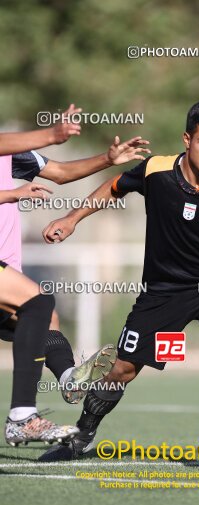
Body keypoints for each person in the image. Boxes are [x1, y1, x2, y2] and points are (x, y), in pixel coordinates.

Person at [40, 99, 199, 461]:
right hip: (164, 291)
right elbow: (113, 187)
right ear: (187, 139)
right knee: (122, 370)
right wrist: (72, 219)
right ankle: (80, 438)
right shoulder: (155, 171)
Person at [0, 106, 150, 445]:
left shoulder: (10, 154)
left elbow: (61, 172)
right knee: (37, 304)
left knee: (44, 318)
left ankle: (69, 377)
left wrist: (108, 159)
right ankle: (22, 416)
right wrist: (52, 136)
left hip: (5, 271)